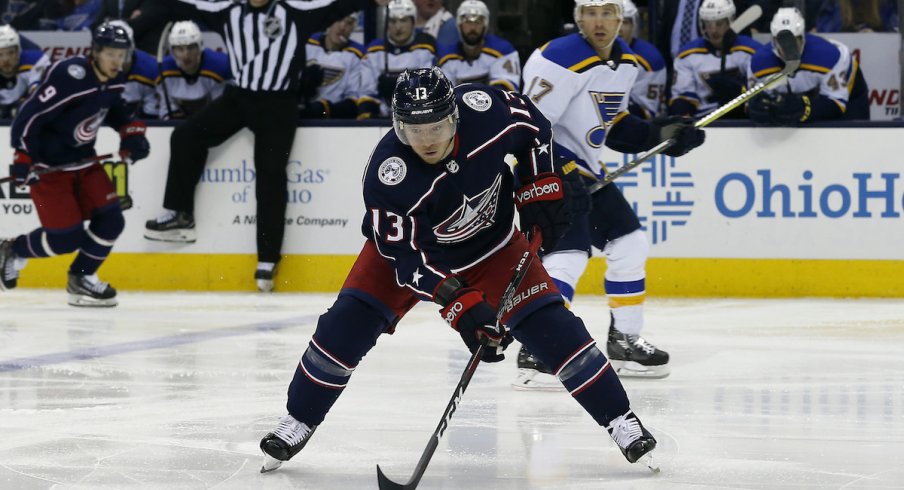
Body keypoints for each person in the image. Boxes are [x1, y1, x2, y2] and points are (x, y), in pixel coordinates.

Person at [257, 67, 658, 474]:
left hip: (494, 246)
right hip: (409, 255)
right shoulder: (388, 177)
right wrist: (461, 305)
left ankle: (620, 418)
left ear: (455, 116)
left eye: (436, 126)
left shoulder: (483, 110)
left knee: (553, 329)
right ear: (398, 125)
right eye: (414, 130)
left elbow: (534, 126)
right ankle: (299, 419)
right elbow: (407, 261)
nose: (426, 140)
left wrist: (541, 183)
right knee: (344, 327)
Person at [514, 0, 706, 388]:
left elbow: (611, 123)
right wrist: (562, 171)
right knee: (568, 256)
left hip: (587, 172)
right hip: (546, 171)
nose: (598, 22)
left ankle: (623, 340)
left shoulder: (627, 63)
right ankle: (538, 347)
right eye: (590, 13)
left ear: (622, 18)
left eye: (607, 13)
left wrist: (660, 134)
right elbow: (529, 127)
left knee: (630, 243)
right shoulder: (558, 58)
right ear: (578, 18)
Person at [143, 0, 390, 292]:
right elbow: (180, 7)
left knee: (271, 177)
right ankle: (180, 214)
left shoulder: (294, 11)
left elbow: (335, 7)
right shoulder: (228, 11)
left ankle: (268, 259)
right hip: (240, 98)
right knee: (186, 136)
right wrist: (137, 22)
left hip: (279, 105)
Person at [0, 22, 150, 306]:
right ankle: (13, 249)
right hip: (49, 169)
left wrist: (131, 135)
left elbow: (115, 110)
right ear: (95, 52)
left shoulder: (116, 78)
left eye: (121, 54)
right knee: (65, 240)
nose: (117, 61)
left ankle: (81, 277)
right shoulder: (70, 76)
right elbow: (28, 117)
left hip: (84, 162)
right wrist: (23, 157)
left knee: (112, 219)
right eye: (110, 54)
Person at [747, 7, 870, 125]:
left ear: (802, 38)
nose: (788, 48)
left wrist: (804, 108)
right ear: (774, 41)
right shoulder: (759, 63)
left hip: (852, 93)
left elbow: (837, 104)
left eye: (793, 41)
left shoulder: (829, 57)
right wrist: (758, 108)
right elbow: (753, 104)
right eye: (782, 41)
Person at [668, 0, 763, 118]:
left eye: (719, 24)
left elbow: (760, 98)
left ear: (731, 21)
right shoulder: (687, 55)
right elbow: (682, 98)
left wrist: (740, 91)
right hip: (704, 121)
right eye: (708, 24)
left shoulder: (752, 51)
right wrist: (684, 120)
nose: (713, 31)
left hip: (743, 121)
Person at [358, 0, 435, 119]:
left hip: (416, 118)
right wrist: (370, 116)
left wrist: (397, 86)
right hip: (381, 118)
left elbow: (429, 90)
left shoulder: (426, 51)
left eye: (403, 20)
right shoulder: (374, 52)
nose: (398, 27)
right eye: (393, 21)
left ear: (413, 22)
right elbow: (366, 93)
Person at [435, 0, 521, 91]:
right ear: (459, 25)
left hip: (494, 104)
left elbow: (506, 92)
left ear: (485, 25)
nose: (472, 28)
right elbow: (444, 93)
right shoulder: (446, 56)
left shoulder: (503, 51)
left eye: (478, 21)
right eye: (467, 22)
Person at [156, 20, 231, 120]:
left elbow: (221, 111)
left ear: (200, 47)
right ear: (172, 51)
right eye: (179, 49)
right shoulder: (164, 70)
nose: (185, 55)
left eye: (191, 48)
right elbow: (166, 111)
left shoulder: (220, 66)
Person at [299, 13, 365, 119]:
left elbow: (354, 103)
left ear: (353, 27)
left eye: (348, 23)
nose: (342, 27)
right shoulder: (306, 45)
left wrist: (325, 110)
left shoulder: (357, 56)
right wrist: (302, 85)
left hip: (332, 122)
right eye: (338, 19)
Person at [619, 0, 666, 119]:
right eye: (614, 22)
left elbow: (645, 113)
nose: (619, 29)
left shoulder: (650, 59)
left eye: (624, 22)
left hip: (635, 127)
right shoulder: (591, 54)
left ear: (633, 26)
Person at [108, 19, 159, 119]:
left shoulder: (150, 69)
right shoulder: (93, 70)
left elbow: (152, 119)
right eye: (111, 50)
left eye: (121, 48)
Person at [0, 24, 50, 119]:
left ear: (19, 50)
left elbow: (40, 97)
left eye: (11, 52)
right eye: (0, 54)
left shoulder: (36, 61)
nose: (6, 59)